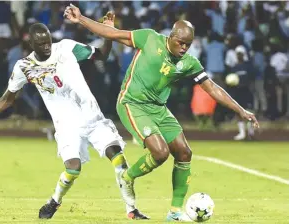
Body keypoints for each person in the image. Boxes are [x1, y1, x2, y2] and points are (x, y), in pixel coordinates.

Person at [64, 4, 260, 222]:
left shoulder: (188, 62)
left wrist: (241, 110)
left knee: (184, 153)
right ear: (171, 37)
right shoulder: (149, 39)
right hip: (132, 103)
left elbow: (212, 88)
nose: (184, 48)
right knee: (160, 153)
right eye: (181, 43)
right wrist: (81, 19)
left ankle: (175, 213)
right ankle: (127, 177)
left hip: (158, 109)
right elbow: (112, 33)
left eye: (188, 44)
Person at [0, 16, 148, 220]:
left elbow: (100, 56)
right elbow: (6, 100)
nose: (47, 46)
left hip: (92, 117)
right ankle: (55, 201)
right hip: (66, 125)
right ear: (31, 44)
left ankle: (132, 210)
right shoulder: (24, 66)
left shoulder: (66, 48)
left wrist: (108, 34)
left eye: (48, 41)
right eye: (41, 43)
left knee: (119, 160)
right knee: (73, 169)